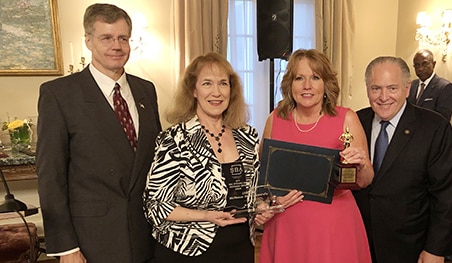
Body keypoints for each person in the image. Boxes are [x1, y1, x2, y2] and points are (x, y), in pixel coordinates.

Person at [36, 3, 161, 263]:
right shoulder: (59, 94)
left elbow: (155, 164)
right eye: (106, 38)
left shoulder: (145, 91)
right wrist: (66, 247)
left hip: (147, 235)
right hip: (92, 240)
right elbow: (51, 178)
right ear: (88, 41)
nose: (116, 46)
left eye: (122, 38)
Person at [143, 52, 270, 263]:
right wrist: (207, 216)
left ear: (232, 89)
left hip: (239, 249)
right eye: (207, 83)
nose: (216, 92)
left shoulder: (248, 136)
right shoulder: (174, 139)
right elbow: (154, 206)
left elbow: (254, 192)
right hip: (187, 250)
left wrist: (261, 208)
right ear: (193, 90)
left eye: (223, 83)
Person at [259, 49, 374, 263]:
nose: (307, 86)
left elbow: (365, 180)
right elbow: (262, 178)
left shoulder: (346, 118)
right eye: (299, 78)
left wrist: (362, 165)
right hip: (286, 226)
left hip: (333, 227)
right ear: (289, 84)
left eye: (315, 77)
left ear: (326, 84)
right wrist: (269, 201)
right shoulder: (275, 119)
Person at [353, 56, 452, 263]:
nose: (384, 97)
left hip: (409, 248)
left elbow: (446, 195)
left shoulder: (435, 128)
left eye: (392, 88)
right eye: (376, 88)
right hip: (359, 242)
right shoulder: (356, 121)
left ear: (407, 88)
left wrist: (435, 250)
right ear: (367, 89)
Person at [408, 49, 452, 121]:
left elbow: (442, 120)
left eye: (425, 64)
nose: (420, 69)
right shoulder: (411, 85)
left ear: (433, 64)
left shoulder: (444, 87)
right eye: (417, 65)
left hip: (432, 131)